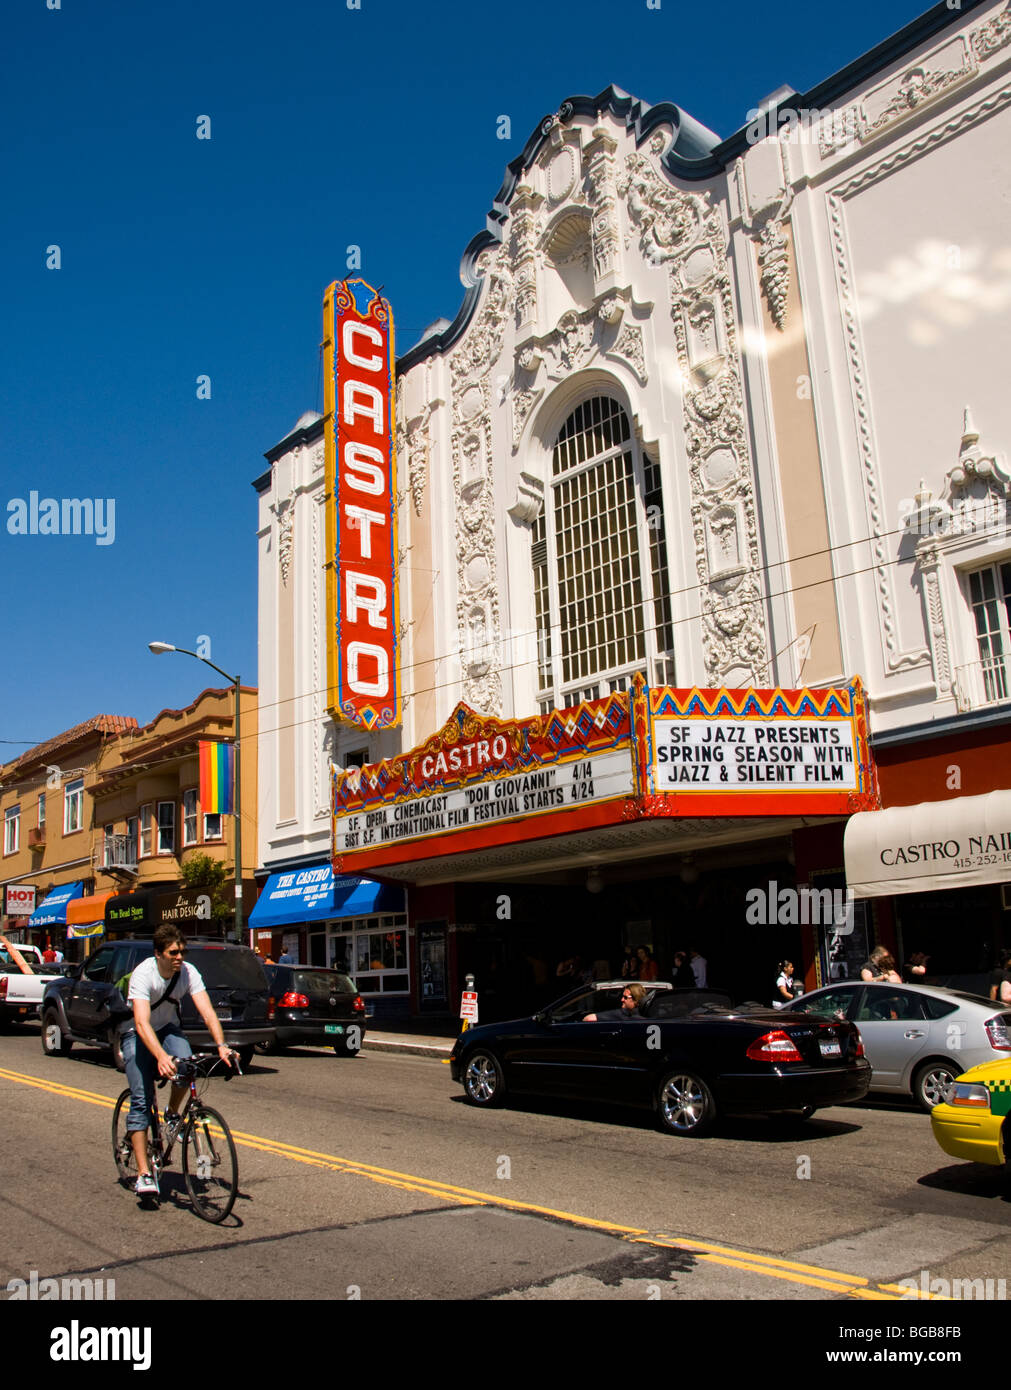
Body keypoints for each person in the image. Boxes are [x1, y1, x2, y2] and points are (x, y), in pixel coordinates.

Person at [121, 925, 237, 1198]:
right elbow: (140, 1022)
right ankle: (144, 1174)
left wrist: (222, 1045)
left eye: (182, 951)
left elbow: (207, 1011)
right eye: (173, 952)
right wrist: (160, 1057)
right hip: (137, 1033)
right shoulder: (143, 974)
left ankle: (173, 1114)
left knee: (186, 1066)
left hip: (168, 1029)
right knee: (141, 1100)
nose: (179, 957)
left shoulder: (188, 973)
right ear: (158, 954)